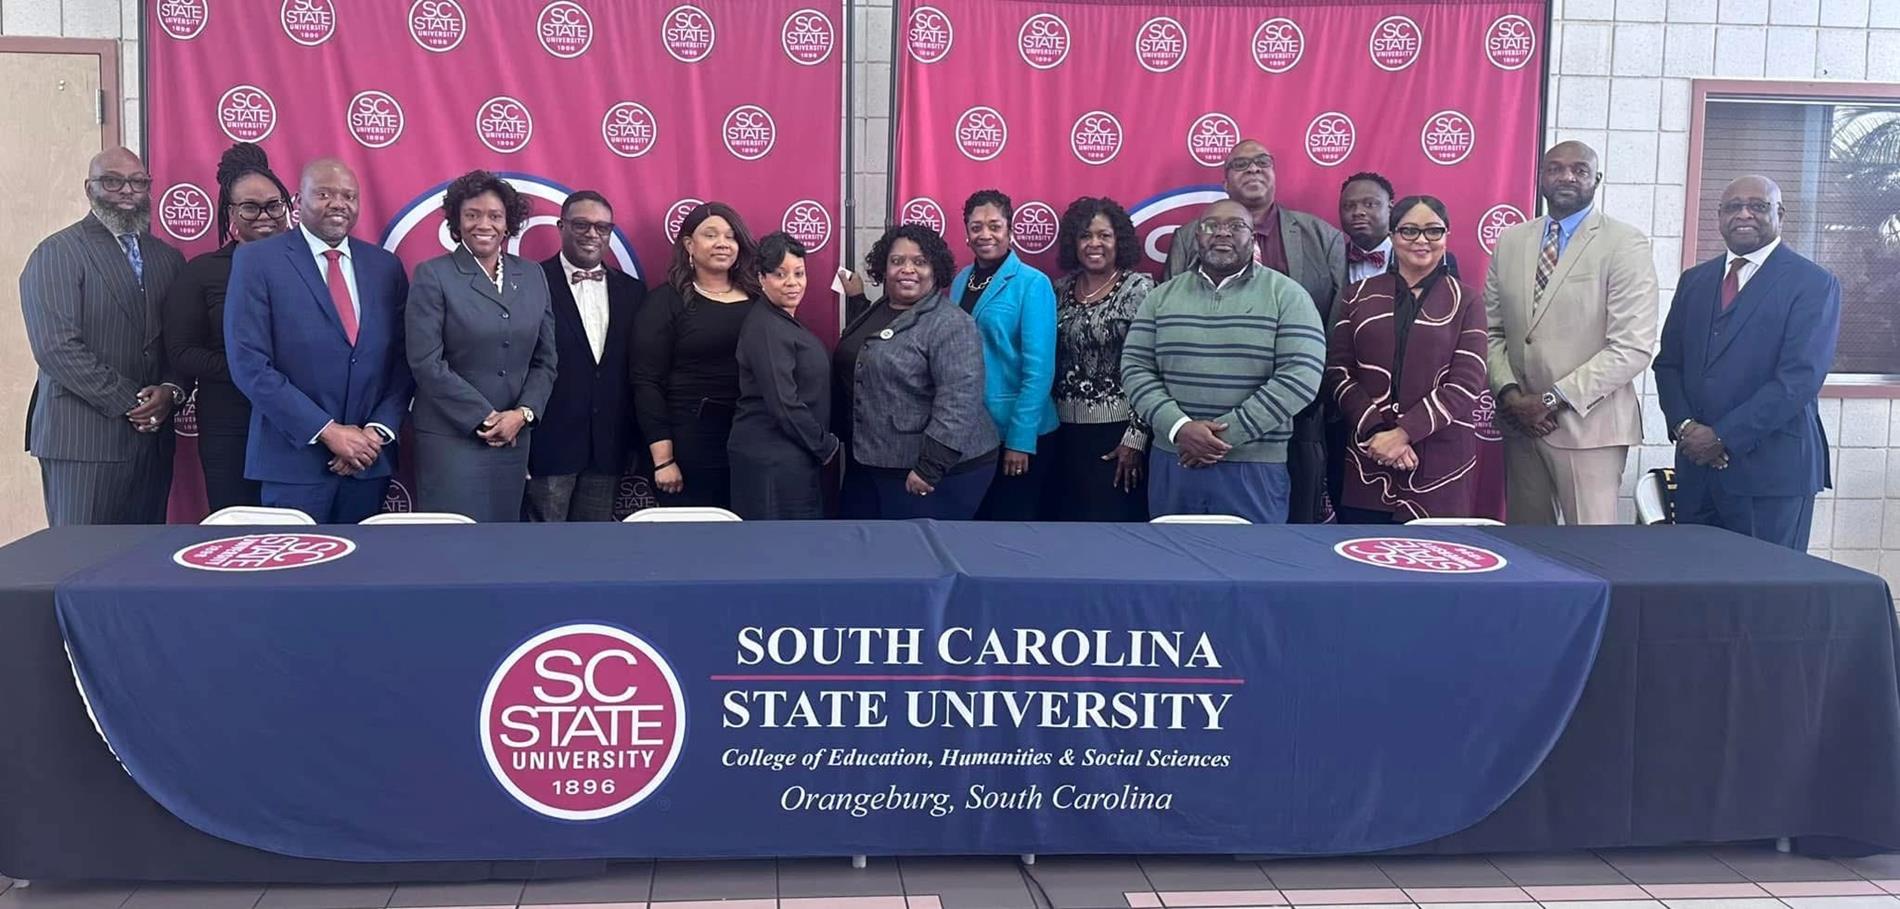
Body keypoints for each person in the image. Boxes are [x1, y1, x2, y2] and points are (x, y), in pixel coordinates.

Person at [1165, 140, 1345, 524]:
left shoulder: (1321, 236)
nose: (1253, 170)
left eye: (1262, 162)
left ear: (1275, 172)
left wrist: (1308, 391)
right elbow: (1170, 325)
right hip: (1198, 425)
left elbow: (1337, 325)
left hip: (1301, 414)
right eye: (1241, 164)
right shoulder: (1188, 238)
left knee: (1289, 531)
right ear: (1225, 179)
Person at [1655, 176, 1840, 550]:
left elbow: (1799, 379)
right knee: (1696, 587)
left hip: (1771, 474)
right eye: (1732, 207)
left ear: (1780, 214)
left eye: (1758, 206)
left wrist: (1722, 436)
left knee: (1767, 597)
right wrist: (1685, 426)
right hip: (1697, 472)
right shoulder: (1695, 281)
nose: (1744, 214)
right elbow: (1669, 365)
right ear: (1719, 216)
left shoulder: (1813, 283)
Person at [226, 158, 412, 523]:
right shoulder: (257, 261)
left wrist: (374, 433)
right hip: (293, 463)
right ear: (297, 202)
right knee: (294, 578)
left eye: (348, 195)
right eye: (324, 194)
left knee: (365, 575)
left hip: (367, 463)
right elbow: (249, 363)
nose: (338, 203)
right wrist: (328, 432)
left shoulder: (385, 267)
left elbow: (404, 360)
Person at [1484, 141, 1659, 525]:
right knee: (1529, 556)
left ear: (1596, 180)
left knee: (1589, 555)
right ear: (1541, 178)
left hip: (1588, 428)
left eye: (1579, 170)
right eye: (1555, 169)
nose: (1567, 177)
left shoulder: (1624, 244)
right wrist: (1512, 396)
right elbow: (1493, 331)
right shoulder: (1512, 241)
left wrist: (1549, 399)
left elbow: (1631, 347)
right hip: (1522, 426)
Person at [1123, 199, 1326, 524]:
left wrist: (1222, 438)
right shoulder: (1161, 297)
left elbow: (1301, 378)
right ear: (1195, 236)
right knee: (1172, 566)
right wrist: (1179, 428)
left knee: (1251, 568)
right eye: (1210, 226)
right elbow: (1135, 369)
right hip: (1175, 460)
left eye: (1235, 226)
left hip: (1254, 466)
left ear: (1253, 237)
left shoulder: (1288, 295)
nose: (1222, 233)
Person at [21, 147, 186, 525]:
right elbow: (56, 348)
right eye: (113, 181)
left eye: (138, 182)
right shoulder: (57, 253)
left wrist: (169, 393)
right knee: (83, 564)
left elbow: (179, 345)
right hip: (83, 441)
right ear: (89, 188)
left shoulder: (167, 258)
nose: (127, 191)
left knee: (142, 565)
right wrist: (133, 402)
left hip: (152, 441)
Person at [1323, 196, 1488, 523]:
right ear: (1393, 235)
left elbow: (1467, 381)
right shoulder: (1356, 296)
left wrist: (1403, 434)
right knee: (1362, 562)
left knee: (1434, 566)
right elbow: (1338, 373)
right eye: (1409, 231)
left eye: (1433, 231)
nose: (1422, 240)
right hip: (1368, 456)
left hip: (1440, 463)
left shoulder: (1468, 301)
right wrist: (1378, 433)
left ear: (1447, 236)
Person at [405, 169, 557, 522]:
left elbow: (545, 360)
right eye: (472, 215)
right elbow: (426, 362)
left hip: (513, 438)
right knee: (454, 551)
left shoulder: (533, 275)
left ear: (508, 224)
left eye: (494, 215)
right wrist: (486, 418)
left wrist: (523, 414)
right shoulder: (432, 274)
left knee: (501, 549)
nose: (483, 224)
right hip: (451, 438)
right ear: (456, 221)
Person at [835, 224, 997, 519]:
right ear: (883, 267)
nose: (907, 269)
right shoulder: (883, 307)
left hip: (934, 472)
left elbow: (960, 400)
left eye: (920, 262)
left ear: (936, 269)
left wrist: (930, 467)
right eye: (897, 261)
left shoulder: (951, 323)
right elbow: (875, 348)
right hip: (873, 459)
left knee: (912, 557)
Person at [162, 142, 289, 511]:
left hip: (299, 422)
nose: (264, 215)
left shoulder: (311, 268)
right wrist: (251, 373)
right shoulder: (202, 272)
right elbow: (182, 352)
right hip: (230, 423)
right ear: (229, 212)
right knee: (239, 528)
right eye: (250, 206)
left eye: (273, 204)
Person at [630, 202, 760, 509]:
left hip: (751, 444)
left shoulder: (759, 299)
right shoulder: (665, 302)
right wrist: (663, 460)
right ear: (689, 244)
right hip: (690, 448)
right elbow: (646, 382)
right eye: (710, 235)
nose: (722, 244)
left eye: (730, 236)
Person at [526, 191, 645, 522]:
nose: (593, 234)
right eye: (581, 225)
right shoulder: (531, 282)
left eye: (602, 227)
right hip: (548, 444)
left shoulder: (633, 292)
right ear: (561, 226)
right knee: (542, 553)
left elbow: (635, 371)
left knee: (593, 553)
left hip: (608, 446)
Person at [948, 190, 1057, 521]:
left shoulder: (1032, 283)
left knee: (1010, 531)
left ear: (1010, 231)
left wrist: (1020, 441)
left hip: (1017, 433)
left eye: (994, 226)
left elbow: (1039, 370)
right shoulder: (960, 280)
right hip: (970, 432)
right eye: (976, 227)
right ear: (966, 233)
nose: (985, 234)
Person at [1046, 196, 1153, 522]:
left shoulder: (1140, 289)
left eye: (1104, 235)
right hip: (1061, 435)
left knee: (1111, 533)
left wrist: (1136, 440)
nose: (1094, 243)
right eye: (1085, 236)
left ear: (1118, 241)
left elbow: (1152, 369)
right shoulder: (1058, 289)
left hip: (1117, 438)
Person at [729, 232, 839, 519]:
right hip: (772, 461)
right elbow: (783, 402)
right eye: (780, 274)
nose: (793, 283)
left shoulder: (784, 320)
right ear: (762, 278)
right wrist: (825, 446)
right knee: (779, 551)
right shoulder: (766, 326)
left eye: (799, 273)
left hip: (792, 454)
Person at [1338, 172, 1461, 284]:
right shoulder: (1330, 260)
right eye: (1349, 206)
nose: (1358, 212)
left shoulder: (1435, 260)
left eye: (1369, 204)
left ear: (1390, 207)